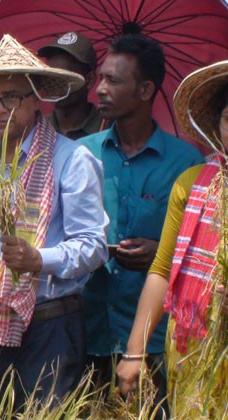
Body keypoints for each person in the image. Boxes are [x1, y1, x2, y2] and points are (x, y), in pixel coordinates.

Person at [0, 34, 107, 418]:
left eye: (11, 97)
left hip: (49, 326)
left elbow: (94, 245)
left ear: (36, 97)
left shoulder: (71, 160)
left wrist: (38, 259)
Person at [78, 34, 204, 404]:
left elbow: (198, 257)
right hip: (88, 330)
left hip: (155, 339)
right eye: (101, 77)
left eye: (114, 80)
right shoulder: (82, 157)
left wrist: (161, 254)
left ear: (146, 89)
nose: (100, 89)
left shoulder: (187, 165)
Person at [116, 60, 228, 416]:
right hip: (194, 350)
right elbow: (162, 269)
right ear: (218, 125)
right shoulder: (191, 184)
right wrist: (135, 350)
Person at [38, 31, 105, 139]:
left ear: (90, 80)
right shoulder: (36, 130)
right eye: (51, 75)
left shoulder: (107, 131)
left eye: (66, 75)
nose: (56, 82)